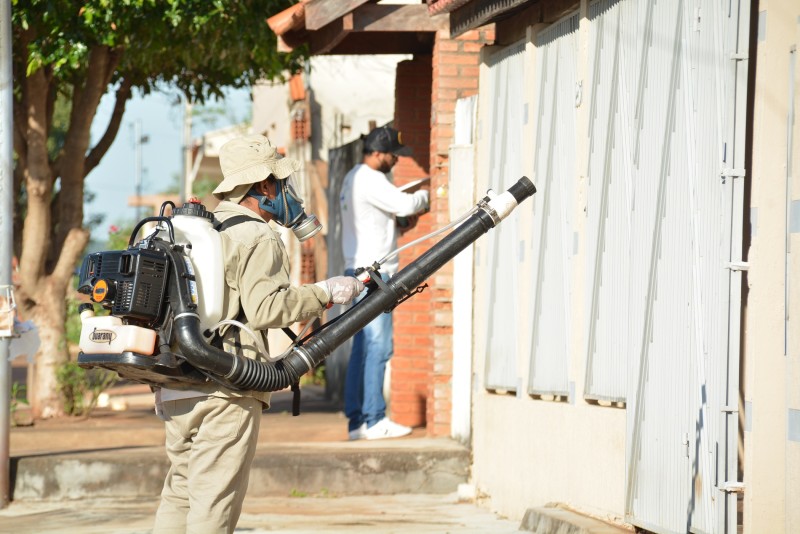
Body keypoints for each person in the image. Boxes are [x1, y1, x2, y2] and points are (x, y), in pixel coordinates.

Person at [153, 134, 364, 533]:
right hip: (226, 388)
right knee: (212, 504)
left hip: (178, 386)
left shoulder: (201, 229)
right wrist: (325, 292)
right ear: (265, 186)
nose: (287, 192)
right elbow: (266, 308)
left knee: (180, 492)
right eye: (281, 182)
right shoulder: (257, 235)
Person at [339, 126, 430, 441]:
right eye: (393, 155)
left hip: (358, 270)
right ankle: (375, 419)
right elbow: (407, 205)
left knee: (362, 347)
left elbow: (375, 221)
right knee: (379, 345)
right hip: (374, 275)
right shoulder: (371, 178)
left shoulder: (352, 178)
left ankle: (357, 423)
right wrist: (428, 195)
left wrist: (398, 224)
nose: (395, 160)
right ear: (378, 153)